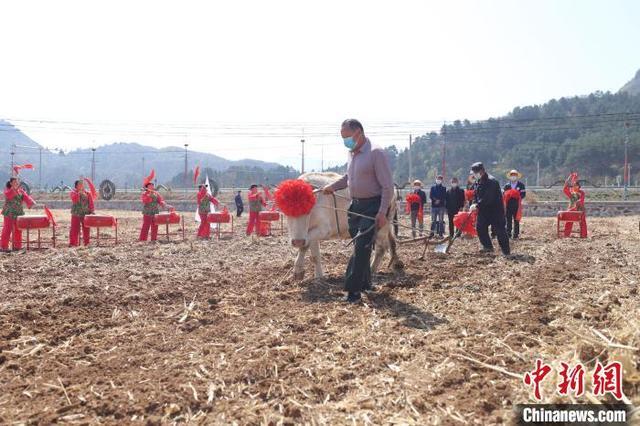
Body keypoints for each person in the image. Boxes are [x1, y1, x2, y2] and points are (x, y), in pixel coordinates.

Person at [323, 119, 393, 304]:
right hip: (356, 206)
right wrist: (332, 186)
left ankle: (352, 290)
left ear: (359, 133)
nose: (345, 140)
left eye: (347, 137)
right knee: (361, 246)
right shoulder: (352, 153)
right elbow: (348, 177)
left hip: (373, 205)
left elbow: (387, 187)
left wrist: (382, 212)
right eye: (343, 137)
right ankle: (366, 283)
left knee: (361, 245)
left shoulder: (376, 153)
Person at [469, 162, 510, 255]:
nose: (474, 174)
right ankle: (488, 247)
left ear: (482, 171)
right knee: (480, 228)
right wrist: (474, 203)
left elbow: (488, 198)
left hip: (495, 211)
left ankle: (506, 251)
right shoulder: (477, 181)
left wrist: (477, 205)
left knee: (500, 230)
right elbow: (476, 194)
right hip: (484, 211)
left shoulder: (492, 181)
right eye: (473, 173)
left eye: (476, 172)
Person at [1, 177, 36, 252]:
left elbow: (26, 197)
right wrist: (14, 189)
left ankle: (17, 246)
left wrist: (30, 203)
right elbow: (9, 195)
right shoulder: (8, 190)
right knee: (7, 229)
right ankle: (3, 247)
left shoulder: (21, 191)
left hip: (18, 213)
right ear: (11, 183)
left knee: (18, 229)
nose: (16, 183)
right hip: (9, 213)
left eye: (17, 182)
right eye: (14, 182)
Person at [69, 180, 95, 247]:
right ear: (76, 186)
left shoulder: (87, 193)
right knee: (74, 229)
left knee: (86, 229)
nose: (81, 186)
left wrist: (92, 211)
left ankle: (87, 243)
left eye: (82, 184)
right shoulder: (73, 192)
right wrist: (79, 194)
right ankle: (73, 243)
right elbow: (74, 199)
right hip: (76, 214)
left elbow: (91, 203)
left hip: (86, 214)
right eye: (80, 184)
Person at [503, 169, 526, 239]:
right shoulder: (507, 185)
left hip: (517, 204)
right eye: (512, 175)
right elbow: (504, 194)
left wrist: (517, 196)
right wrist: (509, 195)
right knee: (508, 219)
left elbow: (523, 194)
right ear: (510, 176)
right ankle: (508, 234)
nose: (513, 177)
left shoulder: (521, 185)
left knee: (516, 220)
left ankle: (516, 235)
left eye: (514, 175)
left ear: (517, 176)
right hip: (508, 205)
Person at [563, 173, 587, 238]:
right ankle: (566, 235)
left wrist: (574, 178)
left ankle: (583, 235)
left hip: (579, 211)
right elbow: (565, 188)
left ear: (579, 187)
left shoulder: (581, 193)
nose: (574, 187)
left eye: (576, 186)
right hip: (572, 211)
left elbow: (581, 201)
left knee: (582, 222)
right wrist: (570, 177)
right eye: (573, 186)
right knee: (568, 222)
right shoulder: (571, 193)